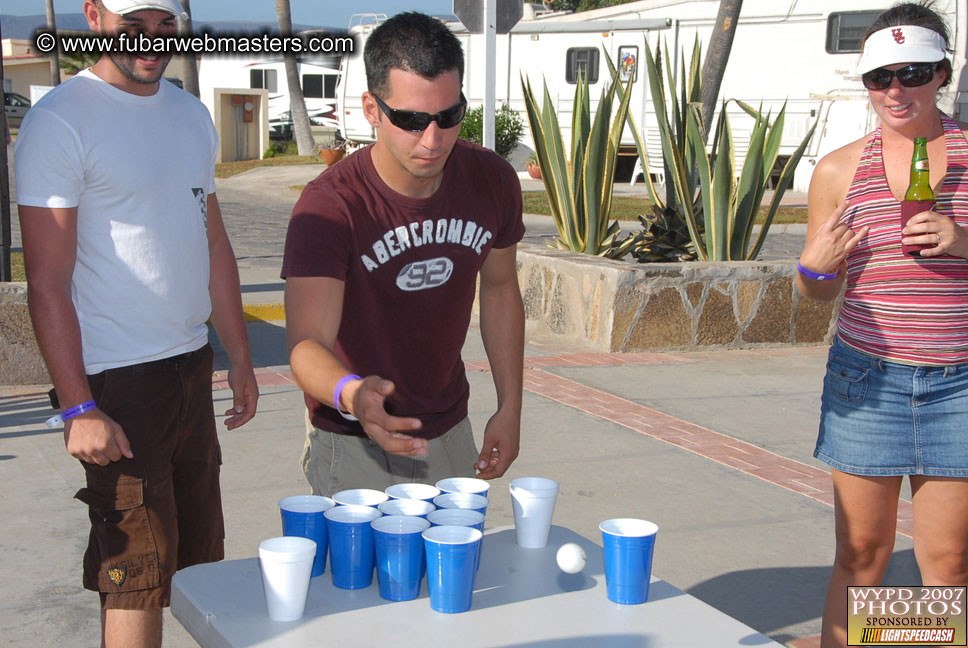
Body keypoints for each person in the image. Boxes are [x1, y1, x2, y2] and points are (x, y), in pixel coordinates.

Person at [14, 1, 258, 646]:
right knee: (137, 575)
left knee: (201, 563)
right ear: (94, 16)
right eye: (133, 27)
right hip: (117, 383)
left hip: (190, 366)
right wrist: (78, 408)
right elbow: (46, 280)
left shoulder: (190, 114)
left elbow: (212, 242)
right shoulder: (60, 120)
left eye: (164, 26)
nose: (151, 42)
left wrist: (238, 355)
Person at [282, 11, 525, 496]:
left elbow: (500, 290)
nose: (433, 140)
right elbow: (307, 344)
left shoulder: (492, 180)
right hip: (353, 439)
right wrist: (354, 395)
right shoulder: (330, 206)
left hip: (450, 428)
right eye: (411, 120)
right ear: (372, 110)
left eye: (449, 117)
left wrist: (510, 407)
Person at [797, 2, 968, 645]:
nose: (896, 90)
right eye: (879, 77)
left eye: (913, 73)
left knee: (948, 562)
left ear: (942, 73)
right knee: (863, 554)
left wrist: (963, 242)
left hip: (959, 384)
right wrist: (813, 271)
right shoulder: (840, 169)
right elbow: (816, 291)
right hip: (867, 383)